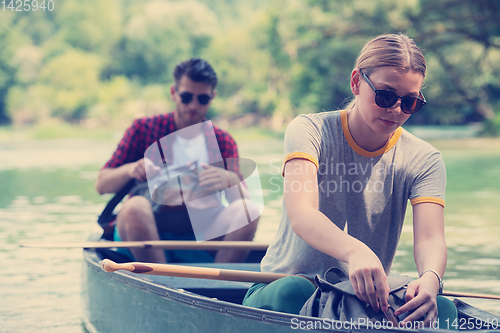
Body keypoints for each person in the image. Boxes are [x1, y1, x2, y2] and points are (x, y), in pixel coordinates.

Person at [242, 34, 456, 329]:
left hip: (361, 302)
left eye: (409, 102)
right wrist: (356, 251)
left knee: (443, 308)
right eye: (385, 96)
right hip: (286, 289)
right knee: (297, 291)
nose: (396, 109)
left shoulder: (425, 159)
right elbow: (302, 214)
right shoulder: (309, 129)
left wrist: (431, 279)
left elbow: (431, 239)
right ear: (357, 82)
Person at [95, 58, 259, 264]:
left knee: (249, 210)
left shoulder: (222, 141)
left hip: (203, 229)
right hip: (147, 226)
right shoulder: (143, 129)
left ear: (212, 97)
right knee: (134, 206)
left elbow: (243, 204)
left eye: (202, 99)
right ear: (174, 93)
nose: (193, 105)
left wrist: (231, 180)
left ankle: (218, 285)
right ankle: (161, 282)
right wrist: (130, 169)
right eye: (187, 97)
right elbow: (101, 185)